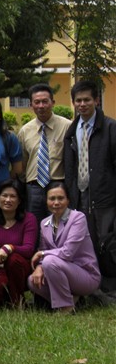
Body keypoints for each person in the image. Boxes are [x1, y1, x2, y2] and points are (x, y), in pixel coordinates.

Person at [28, 182, 100, 313]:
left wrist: (43, 254)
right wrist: (39, 267)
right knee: (32, 280)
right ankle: (72, 300)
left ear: (68, 200)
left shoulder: (78, 218)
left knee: (50, 262)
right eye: (52, 199)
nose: (56, 203)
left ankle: (65, 307)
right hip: (58, 269)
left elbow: (67, 253)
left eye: (60, 198)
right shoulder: (44, 223)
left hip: (85, 274)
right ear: (46, 201)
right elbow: (44, 249)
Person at [63, 80, 116, 255]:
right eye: (78, 100)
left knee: (107, 244)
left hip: (105, 197)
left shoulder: (110, 127)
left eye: (87, 100)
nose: (82, 104)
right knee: (85, 244)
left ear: (96, 100)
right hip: (79, 197)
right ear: (73, 102)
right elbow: (69, 167)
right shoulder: (71, 132)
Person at [0, 179, 37, 306]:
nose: (8, 200)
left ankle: (17, 302)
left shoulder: (29, 219)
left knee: (13, 259)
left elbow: (29, 249)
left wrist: (9, 248)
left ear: (19, 201)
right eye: (4, 196)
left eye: (13, 196)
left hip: (22, 268)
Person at [17, 83, 71, 223]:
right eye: (37, 102)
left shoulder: (67, 126)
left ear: (52, 102)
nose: (41, 106)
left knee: (60, 224)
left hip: (58, 184)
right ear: (31, 105)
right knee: (34, 224)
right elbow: (23, 162)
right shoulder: (25, 131)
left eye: (45, 101)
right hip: (34, 187)